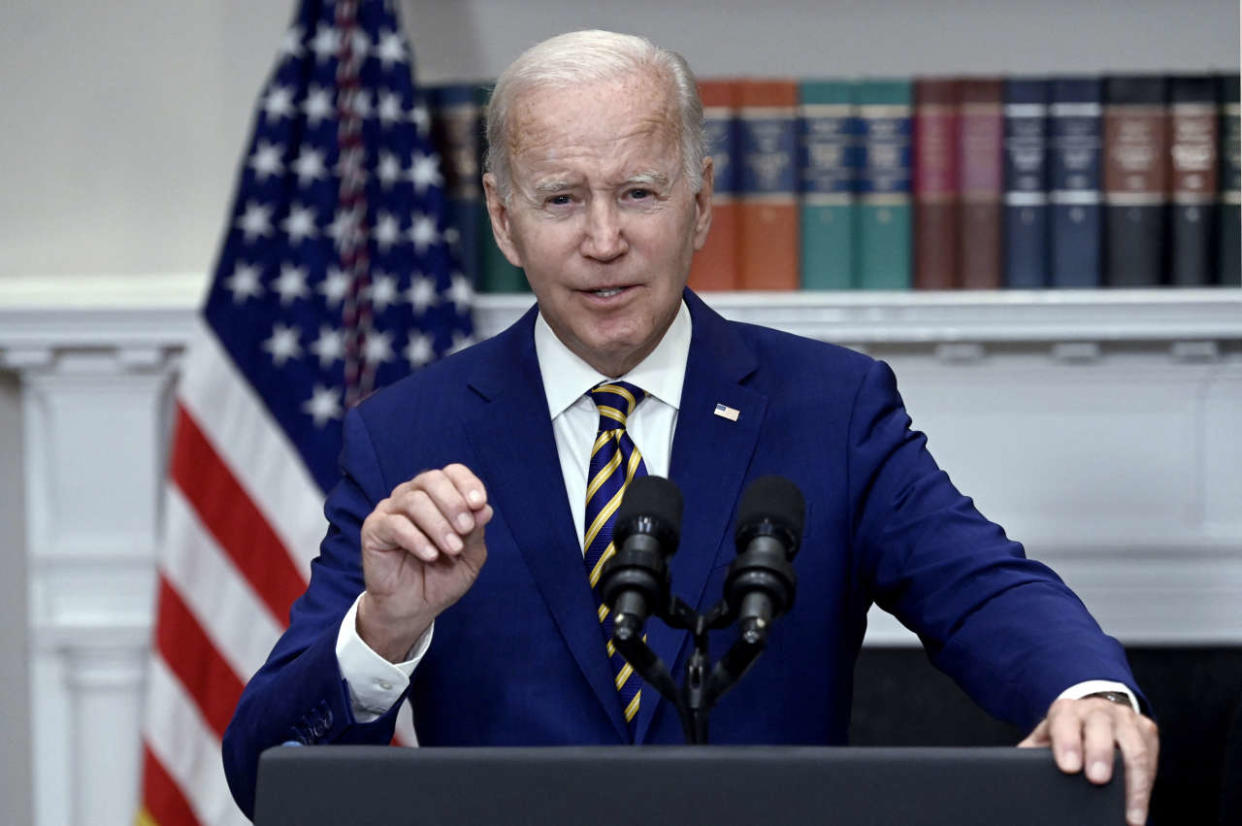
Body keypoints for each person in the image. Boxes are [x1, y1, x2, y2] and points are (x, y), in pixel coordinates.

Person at [222, 29, 1158, 825]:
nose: (602, 240)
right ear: (504, 223)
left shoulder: (828, 408)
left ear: (700, 200)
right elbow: (267, 776)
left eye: (638, 192)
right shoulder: (406, 434)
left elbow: (982, 586)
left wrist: (1085, 689)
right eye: (560, 199)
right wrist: (383, 632)